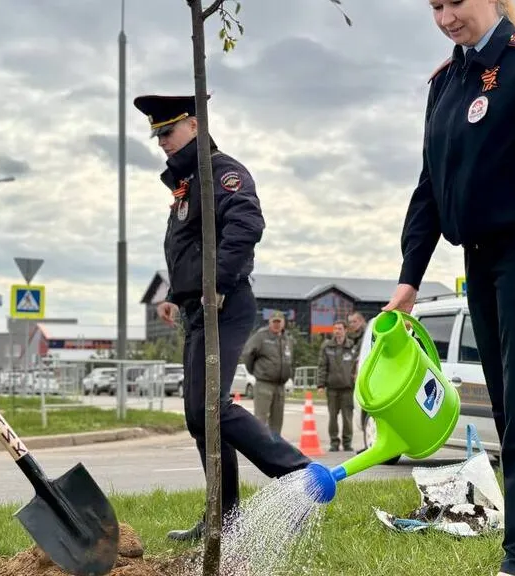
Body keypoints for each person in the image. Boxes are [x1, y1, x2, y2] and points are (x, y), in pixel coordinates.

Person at [383, 2, 515, 575]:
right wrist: (409, 277)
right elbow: (431, 185)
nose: (446, 17)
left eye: (455, 2)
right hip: (479, 260)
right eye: (434, 6)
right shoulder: (447, 82)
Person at [133, 93, 312, 542]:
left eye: (168, 132)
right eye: (156, 135)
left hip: (226, 306)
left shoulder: (221, 173)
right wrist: (177, 294)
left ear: (194, 125)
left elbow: (246, 226)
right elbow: (188, 246)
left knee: (210, 407)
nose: (161, 142)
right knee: (199, 415)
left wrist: (218, 284)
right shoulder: (187, 183)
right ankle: (224, 518)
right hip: (198, 311)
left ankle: (299, 473)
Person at [241, 310, 294, 436]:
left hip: (280, 385)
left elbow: (290, 360)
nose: (276, 324)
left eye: (279, 322)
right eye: (274, 322)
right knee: (261, 418)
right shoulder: (261, 337)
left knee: (277, 420)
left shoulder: (287, 339)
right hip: (264, 384)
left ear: (283, 323)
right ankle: (259, 446)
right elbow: (247, 354)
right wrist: (254, 371)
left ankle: (275, 448)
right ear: (269, 322)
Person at [315, 320, 355, 452]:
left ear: (345, 330)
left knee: (347, 417)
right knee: (333, 417)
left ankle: (347, 442)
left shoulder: (352, 346)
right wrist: (320, 385)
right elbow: (322, 366)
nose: (337, 331)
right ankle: (334, 442)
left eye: (340, 329)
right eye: (335, 329)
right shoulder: (327, 346)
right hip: (332, 388)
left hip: (348, 388)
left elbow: (357, 365)